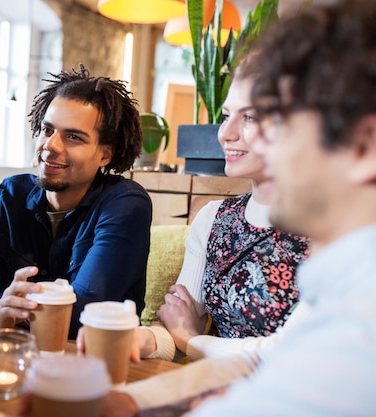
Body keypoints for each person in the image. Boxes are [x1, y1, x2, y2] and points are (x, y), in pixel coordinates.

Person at [104, 0, 376, 415]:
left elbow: (272, 365)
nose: (239, 138)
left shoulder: (360, 311)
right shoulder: (341, 274)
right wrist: (131, 398)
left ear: (363, 146)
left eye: (271, 122)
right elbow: (260, 365)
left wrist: (190, 342)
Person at [0, 64, 152, 338]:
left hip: (93, 366)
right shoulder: (10, 196)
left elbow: (81, 315)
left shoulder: (126, 204)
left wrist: (11, 312)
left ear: (105, 155)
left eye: (73, 137)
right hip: (10, 360)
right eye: (47, 130)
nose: (51, 146)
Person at [134, 58, 310, 362]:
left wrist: (193, 340)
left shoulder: (331, 228)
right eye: (226, 115)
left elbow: (286, 355)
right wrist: (140, 340)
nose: (224, 134)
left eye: (250, 117)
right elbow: (175, 327)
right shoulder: (215, 217)